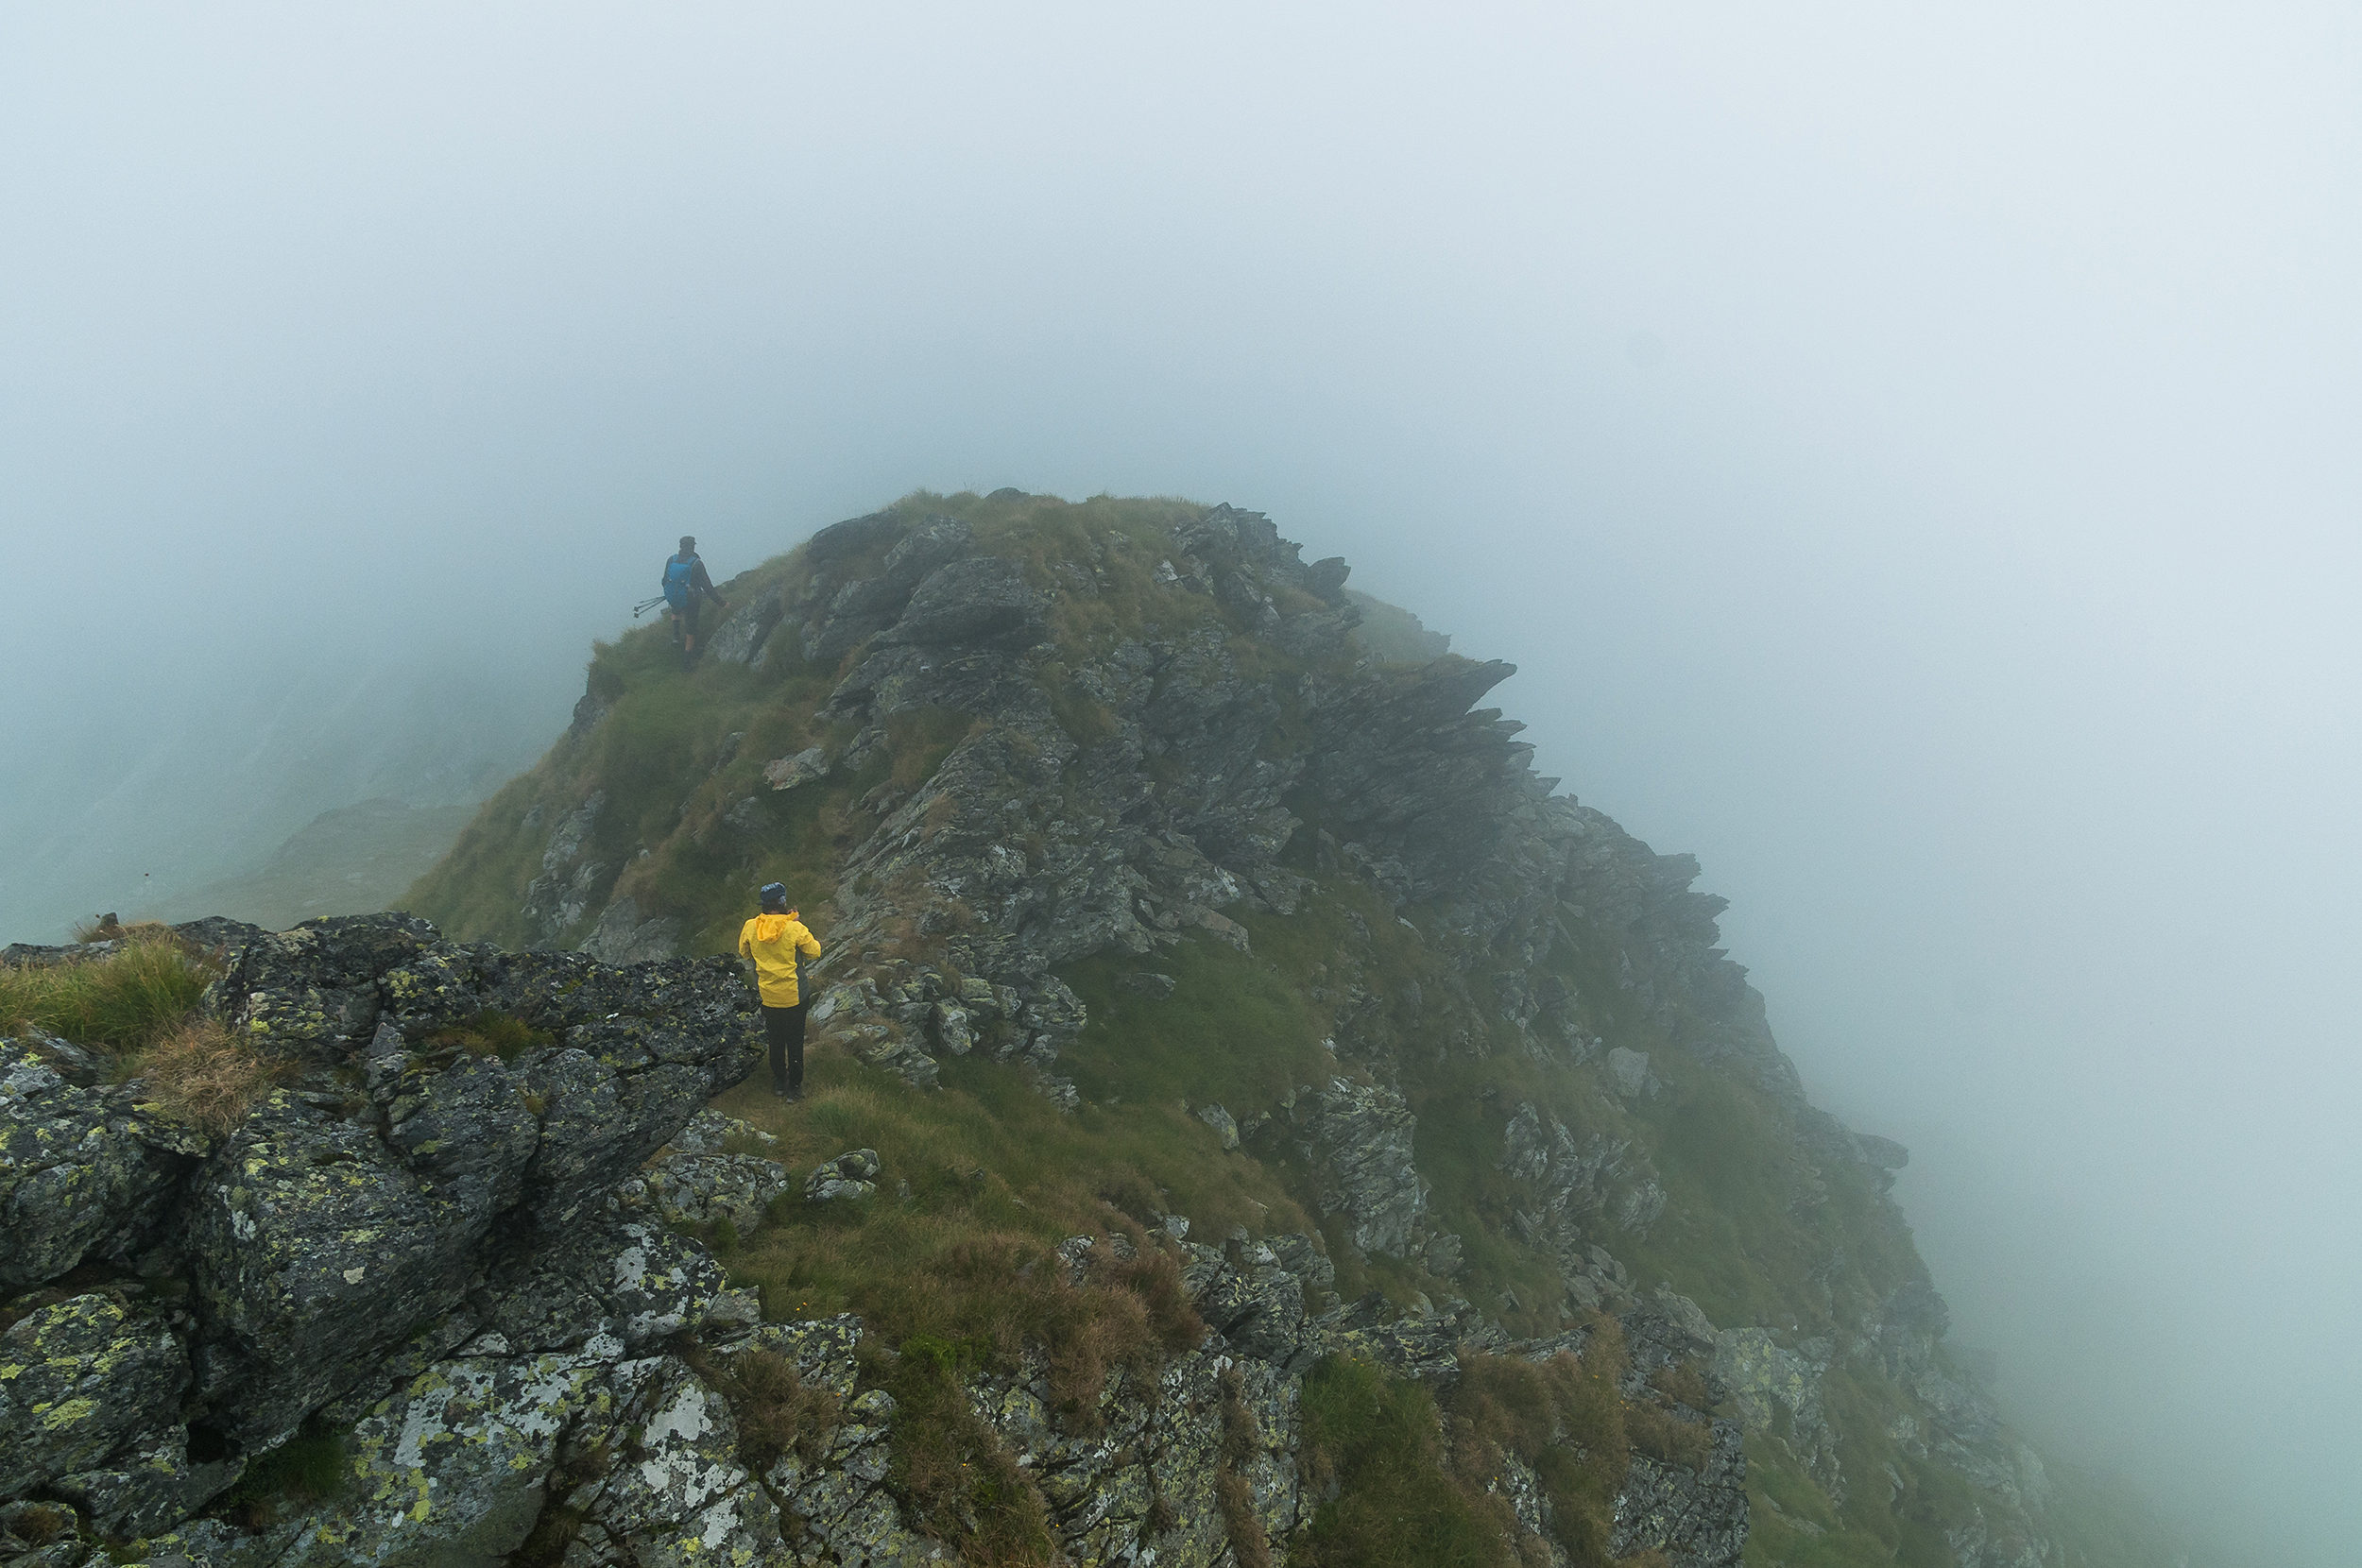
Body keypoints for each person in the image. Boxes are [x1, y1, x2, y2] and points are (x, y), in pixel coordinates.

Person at [738, 883, 821, 1099]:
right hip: (794, 996)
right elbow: (814, 952)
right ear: (782, 902)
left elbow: (744, 953)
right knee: (794, 1042)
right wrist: (797, 923)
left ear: (764, 904)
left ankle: (778, 1083)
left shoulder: (750, 926)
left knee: (775, 1040)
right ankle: (794, 1088)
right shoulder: (794, 927)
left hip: (767, 996)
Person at [660, 535, 727, 670]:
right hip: (691, 601)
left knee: (676, 609)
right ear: (693, 546)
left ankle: (675, 636)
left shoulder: (671, 560)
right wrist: (723, 604)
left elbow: (664, 581)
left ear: (680, 546)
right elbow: (707, 587)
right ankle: (686, 664)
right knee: (691, 630)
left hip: (674, 597)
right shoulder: (696, 564)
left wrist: (673, 592)